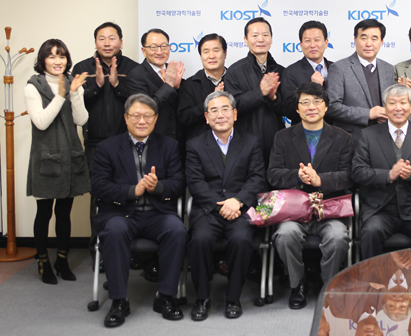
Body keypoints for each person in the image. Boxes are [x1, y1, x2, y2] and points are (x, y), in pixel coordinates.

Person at [91, 94, 187, 327]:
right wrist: (132, 191)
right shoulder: (107, 148)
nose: (141, 120)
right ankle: (118, 301)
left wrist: (158, 186)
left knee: (177, 231)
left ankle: (165, 296)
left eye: (147, 116)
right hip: (120, 213)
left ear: (155, 119)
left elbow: (180, 182)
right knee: (114, 232)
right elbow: (98, 186)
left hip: (157, 213)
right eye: (136, 115)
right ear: (126, 118)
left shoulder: (170, 146)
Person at [267, 82, 354, 309]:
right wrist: (298, 176)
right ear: (297, 109)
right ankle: (298, 284)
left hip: (330, 209)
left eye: (317, 102)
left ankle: (329, 284)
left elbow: (349, 177)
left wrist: (320, 181)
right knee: (284, 235)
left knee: (338, 237)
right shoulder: (282, 137)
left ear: (326, 107)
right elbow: (273, 176)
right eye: (305, 102)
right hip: (293, 211)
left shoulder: (344, 137)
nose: (311, 107)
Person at [186, 91, 266, 320]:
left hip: (240, 209)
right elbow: (195, 182)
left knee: (241, 239)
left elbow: (257, 178)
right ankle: (202, 298)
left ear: (235, 114)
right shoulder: (195, 145)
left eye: (225, 109)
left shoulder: (251, 142)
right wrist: (219, 205)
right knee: (199, 240)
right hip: (208, 210)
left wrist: (238, 201)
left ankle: (233, 298)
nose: (220, 115)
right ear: (206, 117)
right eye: (214, 110)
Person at [25, 39, 90, 284]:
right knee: (44, 213)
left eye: (61, 56)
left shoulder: (72, 83)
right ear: (43, 60)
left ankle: (62, 260)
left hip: (70, 157)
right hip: (46, 159)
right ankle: (43, 261)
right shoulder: (33, 86)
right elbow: (41, 122)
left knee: (64, 213)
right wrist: (61, 95)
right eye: (51, 56)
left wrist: (73, 93)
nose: (57, 61)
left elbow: (82, 120)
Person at [352, 84, 411, 260]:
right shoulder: (368, 135)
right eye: (392, 103)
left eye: (403, 102)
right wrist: (388, 175)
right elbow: (357, 172)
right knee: (370, 232)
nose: (398, 108)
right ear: (385, 107)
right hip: (380, 210)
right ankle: (372, 283)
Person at [72, 22, 138, 259]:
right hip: (95, 144)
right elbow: (75, 107)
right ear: (95, 42)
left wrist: (117, 85)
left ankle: (128, 250)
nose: (107, 43)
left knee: (129, 193)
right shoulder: (82, 69)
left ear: (121, 41)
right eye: (102, 38)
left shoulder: (133, 68)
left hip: (127, 142)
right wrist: (97, 87)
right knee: (98, 197)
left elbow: (139, 104)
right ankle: (97, 252)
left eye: (112, 38)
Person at [224, 17, 284, 165]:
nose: (261, 39)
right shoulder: (234, 71)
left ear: (271, 38)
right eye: (255, 35)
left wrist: (273, 98)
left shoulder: (281, 71)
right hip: (245, 143)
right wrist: (260, 92)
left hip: (277, 142)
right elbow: (232, 107)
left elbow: (289, 109)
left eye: (265, 35)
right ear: (246, 40)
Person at [327, 20, 395, 142]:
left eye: (374, 39)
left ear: (381, 42)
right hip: (352, 139)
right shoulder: (339, 68)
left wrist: (389, 115)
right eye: (363, 38)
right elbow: (331, 106)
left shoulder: (388, 68)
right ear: (355, 40)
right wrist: (368, 114)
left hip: (384, 138)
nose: (369, 43)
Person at [126, 28, 184, 139]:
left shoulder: (173, 71)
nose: (159, 52)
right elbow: (145, 109)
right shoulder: (135, 75)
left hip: (177, 141)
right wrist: (168, 85)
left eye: (164, 46)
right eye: (153, 47)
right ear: (144, 51)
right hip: (153, 140)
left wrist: (177, 88)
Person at [280, 21, 334, 125]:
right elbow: (288, 111)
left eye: (317, 40)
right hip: (304, 133)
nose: (312, 45)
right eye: (307, 41)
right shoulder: (291, 72)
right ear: (301, 45)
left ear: (326, 42)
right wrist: (313, 88)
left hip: (335, 132)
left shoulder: (336, 68)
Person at [178, 33, 228, 141]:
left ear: (225, 53)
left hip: (234, 145)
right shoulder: (190, 84)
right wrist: (209, 102)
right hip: (200, 148)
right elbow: (184, 117)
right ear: (201, 56)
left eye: (216, 50)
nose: (211, 56)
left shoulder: (236, 79)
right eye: (206, 52)